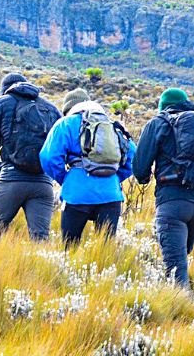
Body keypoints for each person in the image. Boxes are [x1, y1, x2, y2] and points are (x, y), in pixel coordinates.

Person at [133, 88, 194, 286]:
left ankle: (183, 312)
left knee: (175, 271)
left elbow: (139, 167)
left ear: (163, 107)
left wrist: (145, 178)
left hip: (172, 203)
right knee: (180, 257)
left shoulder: (157, 124)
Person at [40, 88, 136, 245]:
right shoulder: (112, 125)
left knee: (69, 247)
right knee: (105, 250)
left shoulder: (66, 124)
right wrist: (114, 177)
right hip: (110, 194)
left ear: (69, 109)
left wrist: (65, 179)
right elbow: (133, 156)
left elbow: (48, 157)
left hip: (77, 193)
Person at [0, 73, 61, 241]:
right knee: (40, 240)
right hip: (43, 183)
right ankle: (41, 267)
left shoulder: (1, 103)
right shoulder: (50, 108)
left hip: (12, 179)